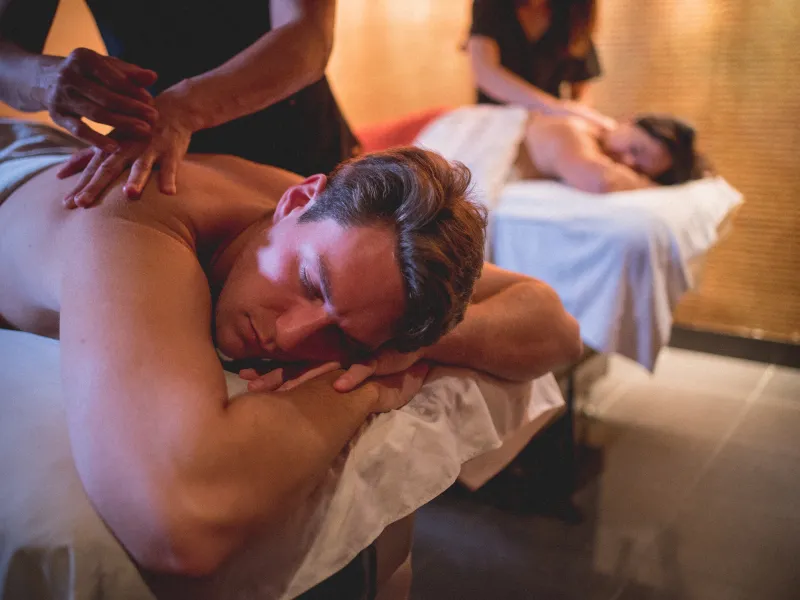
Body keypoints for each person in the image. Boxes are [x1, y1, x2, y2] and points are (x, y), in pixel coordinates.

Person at [0, 121, 582, 577]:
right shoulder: (134, 225)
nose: (292, 337)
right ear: (295, 200)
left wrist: (413, 343)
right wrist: (365, 391)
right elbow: (179, 523)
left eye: (344, 336)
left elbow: (555, 326)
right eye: (310, 282)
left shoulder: (362, 247)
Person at [0, 0, 358, 207]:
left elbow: (307, 36)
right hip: (162, 161)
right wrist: (44, 77)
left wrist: (184, 110)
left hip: (300, 148)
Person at [468, 0, 613, 128]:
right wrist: (555, 108)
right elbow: (485, 72)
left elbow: (581, 93)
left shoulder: (575, 10)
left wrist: (582, 118)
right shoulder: (490, 5)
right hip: (496, 121)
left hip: (549, 123)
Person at [518, 112, 706, 192]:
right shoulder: (573, 130)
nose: (626, 163)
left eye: (638, 170)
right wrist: (655, 188)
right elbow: (601, 180)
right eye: (635, 149)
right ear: (630, 121)